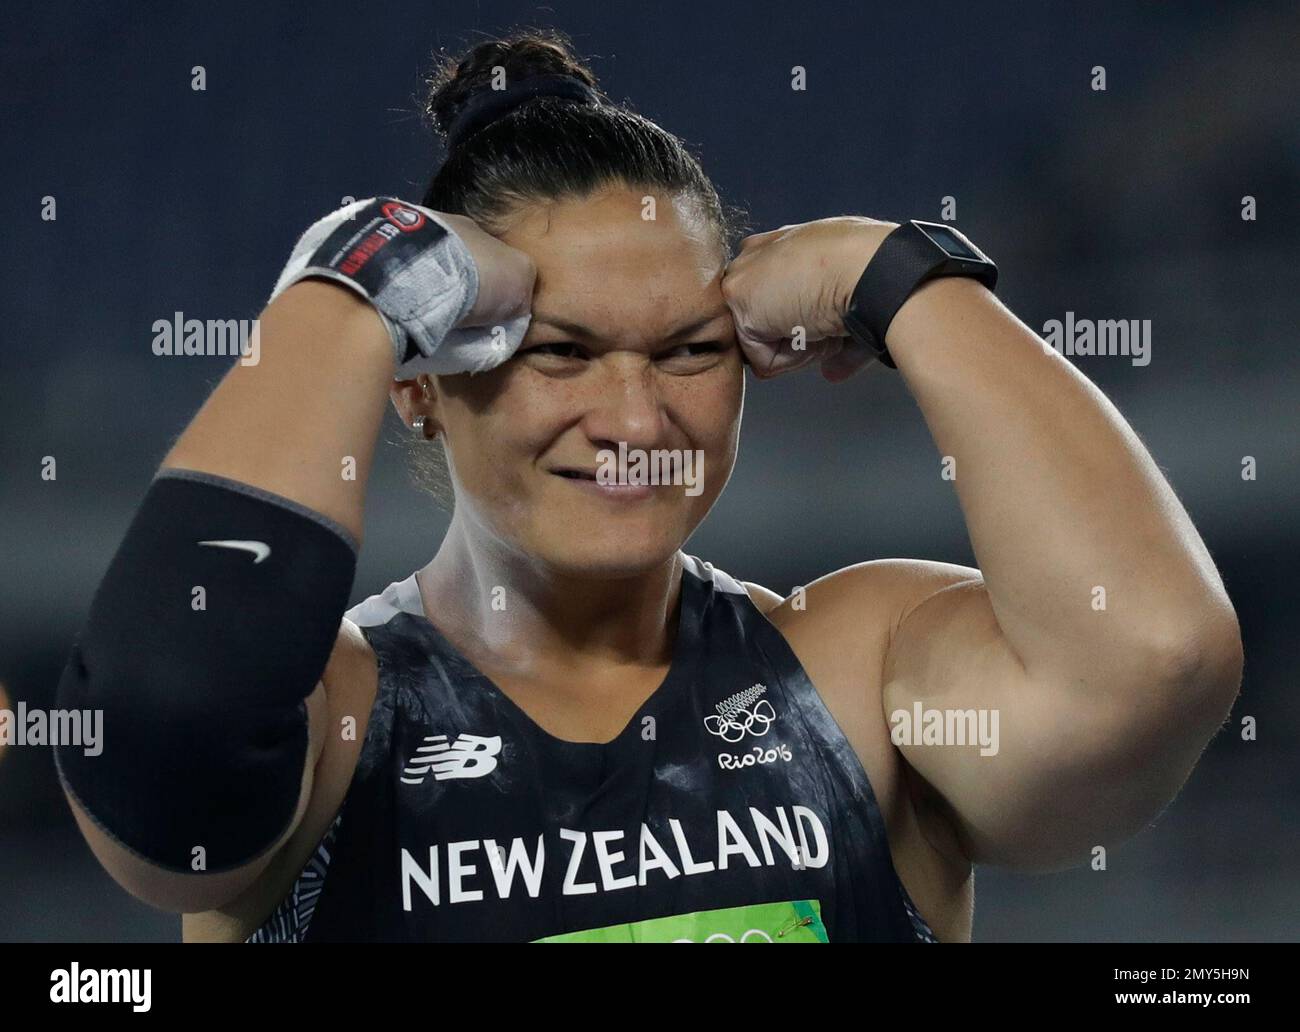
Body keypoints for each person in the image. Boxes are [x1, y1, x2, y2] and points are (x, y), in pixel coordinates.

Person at [54, 29, 1243, 943]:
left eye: (689, 351)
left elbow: (1153, 659)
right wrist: (352, 286)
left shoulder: (859, 678)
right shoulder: (331, 721)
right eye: (561, 353)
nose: (635, 422)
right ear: (419, 383)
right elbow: (161, 723)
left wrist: (908, 278)